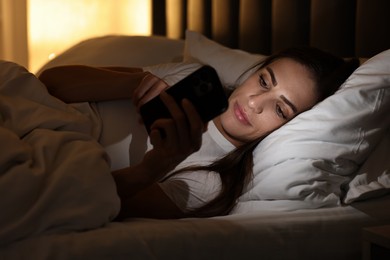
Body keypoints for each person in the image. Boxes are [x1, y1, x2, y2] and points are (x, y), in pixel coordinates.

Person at [38, 46, 359, 219]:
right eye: (264, 81)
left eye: (280, 109)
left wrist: (157, 165)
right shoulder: (193, 78)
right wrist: (131, 83)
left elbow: (92, 203)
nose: (255, 103)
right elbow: (49, 82)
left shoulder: (212, 181)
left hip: (48, 155)